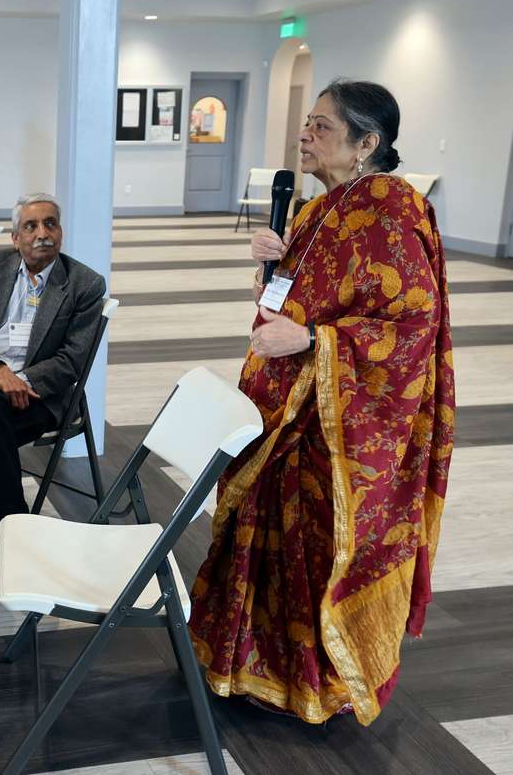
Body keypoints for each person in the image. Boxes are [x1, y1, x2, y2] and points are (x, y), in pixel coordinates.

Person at [189, 80, 455, 727]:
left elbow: (411, 325)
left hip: (330, 422)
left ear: (367, 142)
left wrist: (314, 340)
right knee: (264, 535)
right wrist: (270, 270)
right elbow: (295, 297)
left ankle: (309, 683)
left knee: (311, 545)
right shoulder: (315, 208)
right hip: (279, 403)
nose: (305, 135)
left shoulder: (391, 209)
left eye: (322, 126)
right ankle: (247, 665)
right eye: (307, 123)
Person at [0, 193, 106, 597]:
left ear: (60, 231)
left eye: (50, 224)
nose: (42, 233)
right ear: (15, 238)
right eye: (31, 226)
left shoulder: (84, 284)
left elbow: (72, 361)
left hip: (41, 395)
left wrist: (21, 380)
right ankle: (15, 531)